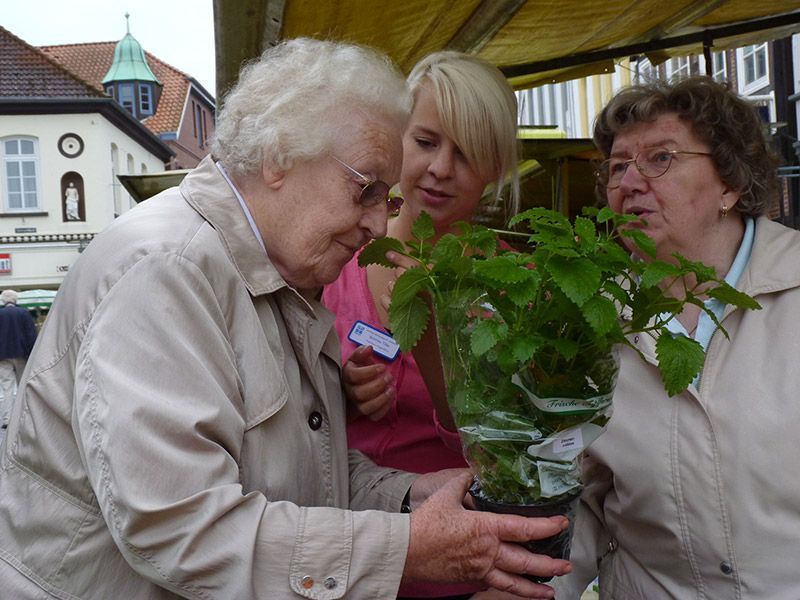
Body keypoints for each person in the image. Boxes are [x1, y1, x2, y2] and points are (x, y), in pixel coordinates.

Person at [0, 38, 571, 600]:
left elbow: (311, 466)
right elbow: (182, 530)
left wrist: (412, 495)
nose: (378, 224)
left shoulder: (281, 274)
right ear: (279, 158)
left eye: (386, 200)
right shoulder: (167, 270)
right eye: (367, 188)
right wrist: (405, 546)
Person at [552, 76, 797, 599]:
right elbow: (579, 501)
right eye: (618, 166)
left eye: (660, 158)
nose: (630, 182)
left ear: (729, 183)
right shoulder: (591, 318)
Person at [323, 51, 520, 599]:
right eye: (427, 141)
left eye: (467, 153)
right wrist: (331, 384)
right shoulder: (335, 257)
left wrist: (436, 346)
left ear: (497, 168)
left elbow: (508, 450)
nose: (440, 169)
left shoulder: (516, 284)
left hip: (460, 570)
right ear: (395, 140)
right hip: (340, 560)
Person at [0, 289, 37, 428]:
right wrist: (32, 354)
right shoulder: (24, 313)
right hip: (22, 354)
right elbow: (31, 335)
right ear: (16, 300)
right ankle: (24, 417)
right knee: (23, 386)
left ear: (3, 300)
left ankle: (7, 419)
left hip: (2, 356)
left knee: (7, 387)